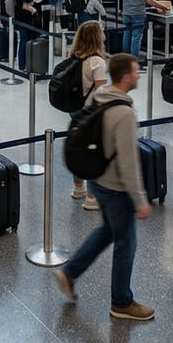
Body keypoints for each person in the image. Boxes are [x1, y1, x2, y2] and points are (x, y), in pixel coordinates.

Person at [53, 53, 154, 321]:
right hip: (116, 187)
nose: (138, 75)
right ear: (125, 76)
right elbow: (128, 161)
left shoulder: (103, 96)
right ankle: (121, 302)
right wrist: (140, 198)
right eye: (135, 71)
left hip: (97, 180)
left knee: (107, 232)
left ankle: (69, 272)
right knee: (126, 245)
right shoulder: (123, 112)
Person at [67, 20, 108, 210]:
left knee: (78, 149)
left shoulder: (74, 56)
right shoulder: (97, 61)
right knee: (93, 154)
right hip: (93, 113)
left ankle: (78, 188)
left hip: (76, 110)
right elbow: (101, 91)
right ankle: (92, 196)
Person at [13, 0, 42, 71]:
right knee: (24, 40)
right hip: (22, 17)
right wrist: (33, 10)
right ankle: (22, 65)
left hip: (29, 18)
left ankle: (29, 63)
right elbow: (23, 4)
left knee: (30, 40)